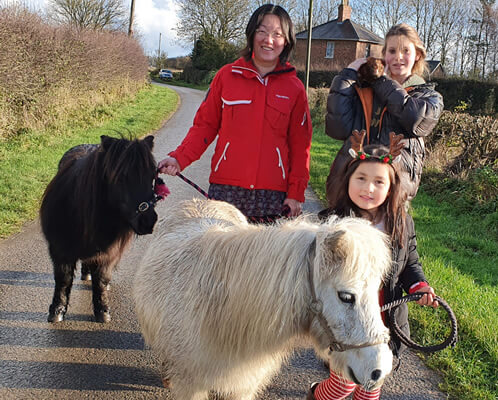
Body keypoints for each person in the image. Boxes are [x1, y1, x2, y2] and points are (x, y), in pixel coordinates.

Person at [310, 132, 438, 400]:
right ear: (347, 181)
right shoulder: (331, 223)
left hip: (384, 316)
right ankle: (316, 395)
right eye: (361, 179)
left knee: (371, 384)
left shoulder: (400, 224)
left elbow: (410, 262)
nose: (368, 188)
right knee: (341, 386)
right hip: (346, 316)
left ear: (391, 187)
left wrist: (420, 285)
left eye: (378, 181)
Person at [158, 4, 312, 222]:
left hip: (273, 195)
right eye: (262, 31)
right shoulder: (226, 76)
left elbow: (301, 145)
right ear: (251, 35)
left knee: (266, 257)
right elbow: (204, 126)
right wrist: (178, 158)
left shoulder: (295, 88)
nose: (268, 40)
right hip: (226, 190)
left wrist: (296, 193)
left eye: (277, 34)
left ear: (286, 40)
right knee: (220, 256)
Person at [325, 23, 443, 205]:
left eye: (406, 51)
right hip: (355, 184)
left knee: (388, 233)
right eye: (392, 51)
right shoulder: (365, 89)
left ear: (417, 55)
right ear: (384, 55)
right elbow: (337, 128)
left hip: (394, 189)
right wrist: (347, 75)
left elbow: (415, 119)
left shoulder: (428, 96)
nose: (398, 57)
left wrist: (381, 81)